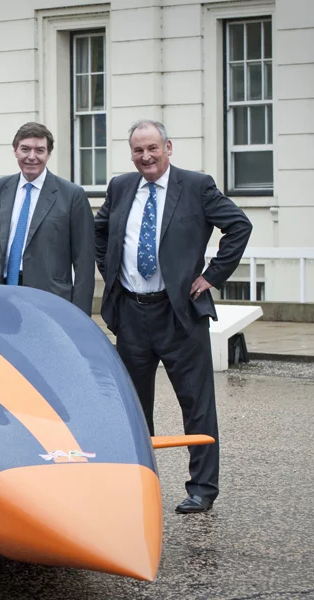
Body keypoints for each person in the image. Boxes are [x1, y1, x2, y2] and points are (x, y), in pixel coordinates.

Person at [94, 119, 252, 513]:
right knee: (132, 404)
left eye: (152, 148)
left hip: (178, 313)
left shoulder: (196, 186)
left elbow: (238, 226)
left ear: (168, 147)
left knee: (196, 404)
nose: (145, 157)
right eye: (137, 150)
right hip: (130, 312)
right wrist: (109, 270)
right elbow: (99, 231)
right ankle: (138, 481)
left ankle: (202, 488)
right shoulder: (120, 186)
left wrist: (211, 276)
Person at [0, 122, 95, 315]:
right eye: (25, 149)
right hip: (3, 296)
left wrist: (80, 315)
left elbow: (84, 263)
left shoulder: (72, 195)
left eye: (39, 150)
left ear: (48, 154)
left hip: (51, 300)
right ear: (15, 151)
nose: (32, 157)